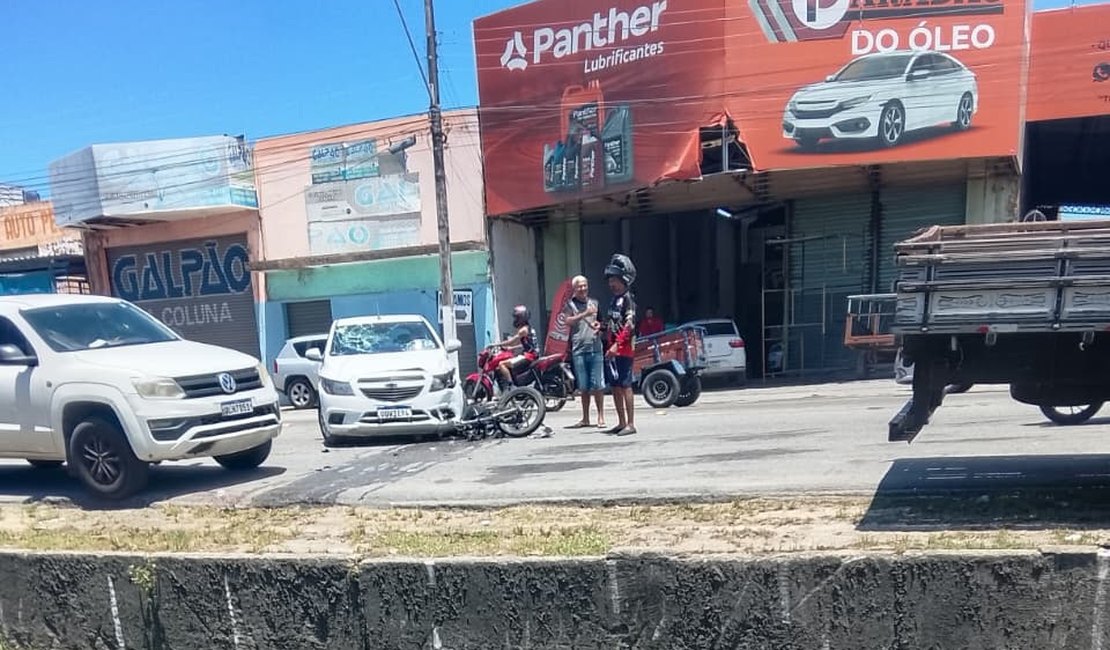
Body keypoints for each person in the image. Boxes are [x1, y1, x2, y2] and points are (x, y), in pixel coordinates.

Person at [564, 275, 606, 430]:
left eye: (584, 285)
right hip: (579, 350)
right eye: (579, 286)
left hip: (595, 348)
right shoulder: (570, 305)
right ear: (574, 289)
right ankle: (586, 418)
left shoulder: (595, 303)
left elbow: (603, 323)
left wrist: (598, 326)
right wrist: (585, 314)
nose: (582, 289)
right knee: (584, 386)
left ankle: (601, 416)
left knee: (598, 385)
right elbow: (567, 321)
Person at [602, 254, 638, 436]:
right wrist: (598, 328)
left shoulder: (628, 299)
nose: (611, 284)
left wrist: (617, 345)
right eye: (610, 280)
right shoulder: (613, 301)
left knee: (625, 385)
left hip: (623, 349)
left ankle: (630, 424)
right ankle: (621, 422)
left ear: (624, 280)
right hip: (611, 350)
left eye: (614, 280)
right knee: (615, 386)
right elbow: (609, 322)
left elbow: (629, 325)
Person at [492, 305, 537, 391]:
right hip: (532, 355)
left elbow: (512, 341)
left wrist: (496, 344)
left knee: (502, 364)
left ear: (521, 318)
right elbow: (527, 345)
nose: (515, 320)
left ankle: (511, 387)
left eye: (517, 317)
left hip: (529, 356)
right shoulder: (529, 328)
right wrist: (511, 348)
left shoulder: (523, 330)